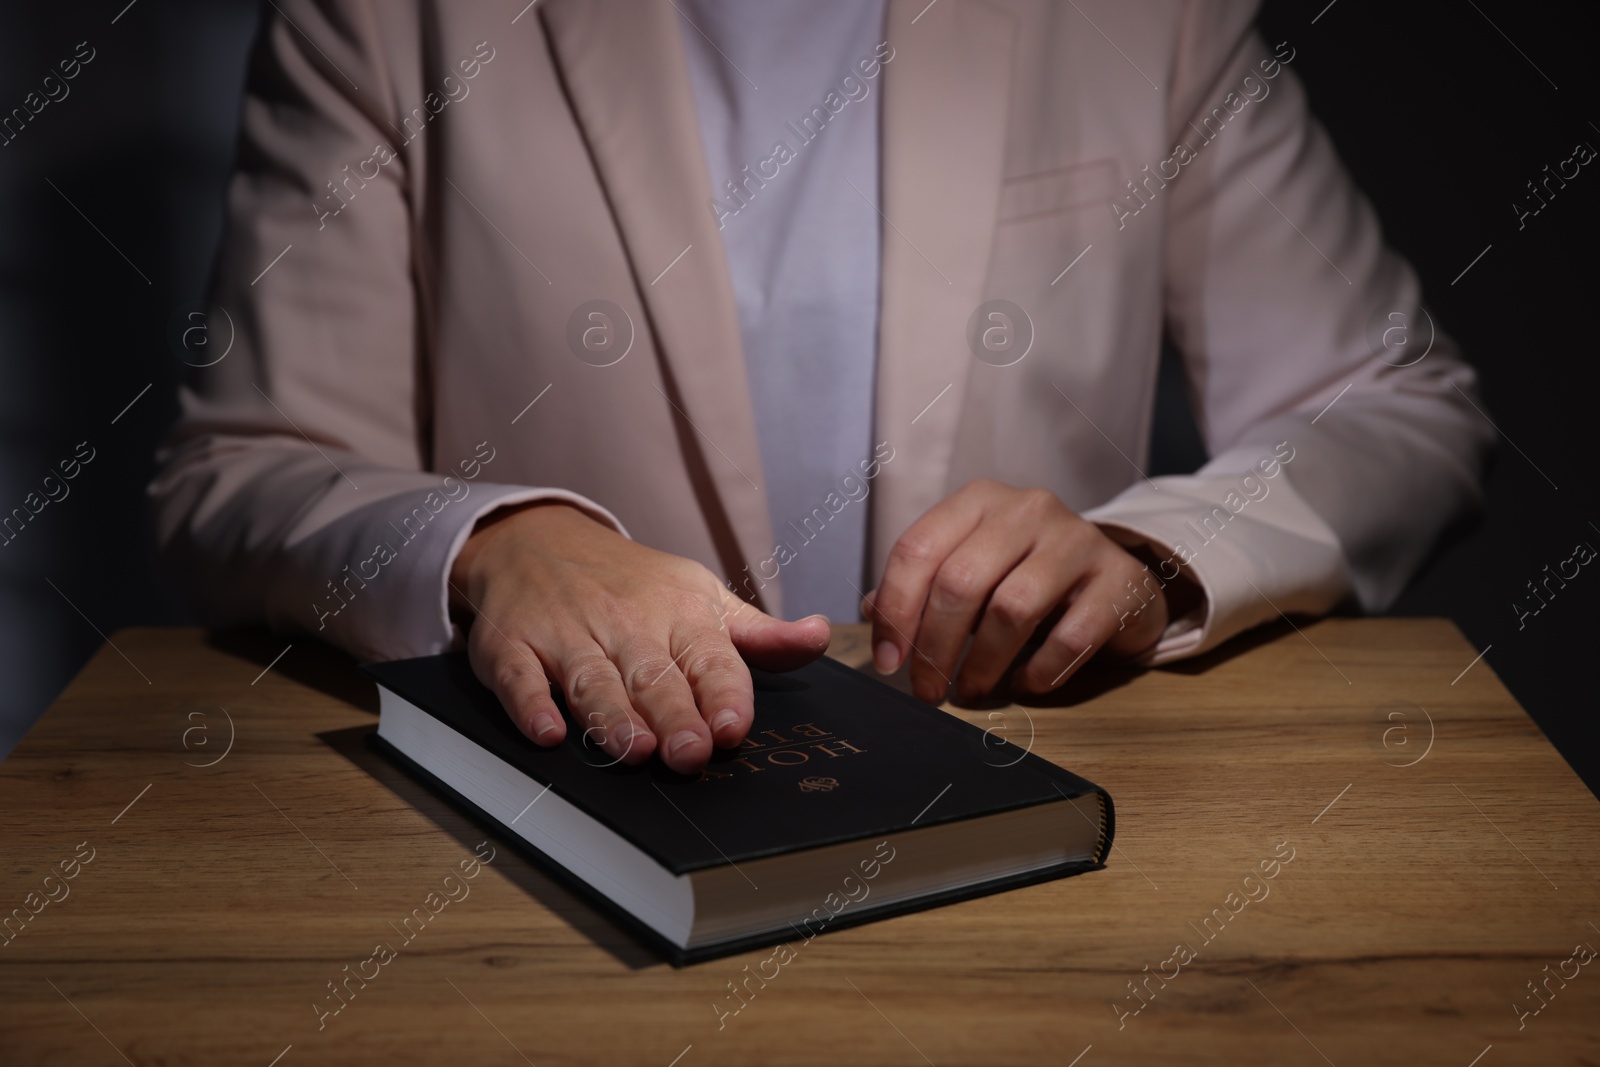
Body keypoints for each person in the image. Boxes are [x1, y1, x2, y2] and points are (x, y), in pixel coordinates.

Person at [149, 0, 1492, 776]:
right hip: (562, 831)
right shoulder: (386, 16)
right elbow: (242, 468)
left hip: (1025, 809)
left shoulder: (1145, 14)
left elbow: (1398, 406)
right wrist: (494, 544)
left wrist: (1147, 553)